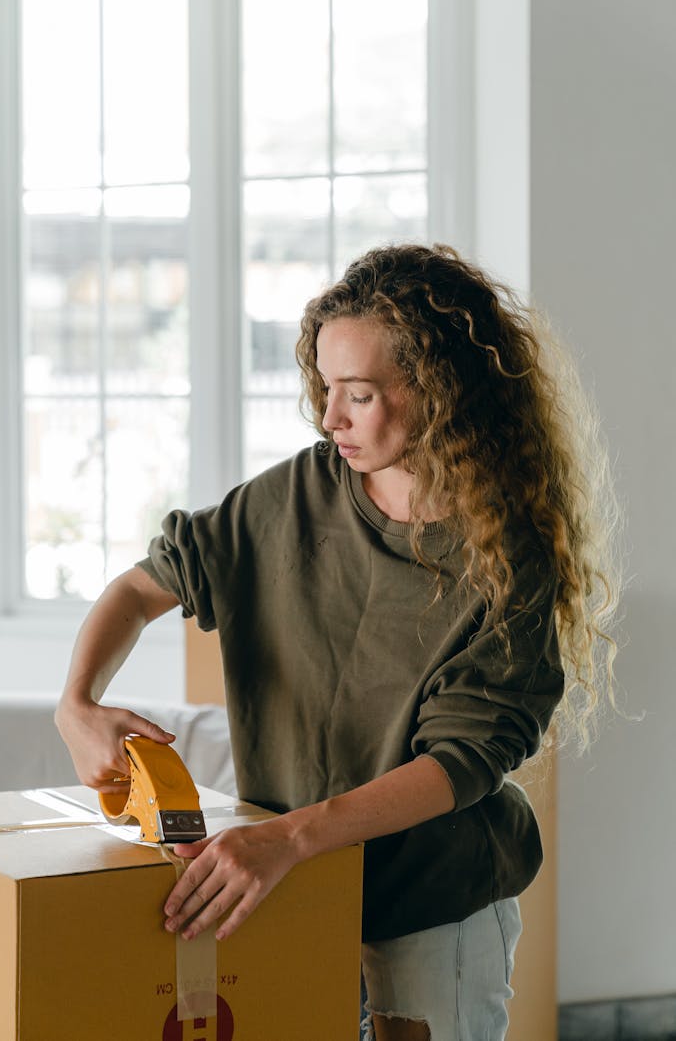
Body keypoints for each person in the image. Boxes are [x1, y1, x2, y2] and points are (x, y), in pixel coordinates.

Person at [56, 243, 620, 1041]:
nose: (330, 417)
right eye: (325, 388)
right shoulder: (293, 496)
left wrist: (285, 839)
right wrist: (78, 701)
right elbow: (148, 584)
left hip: (427, 908)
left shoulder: (504, 558)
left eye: (358, 394)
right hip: (293, 886)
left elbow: (458, 762)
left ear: (443, 390)